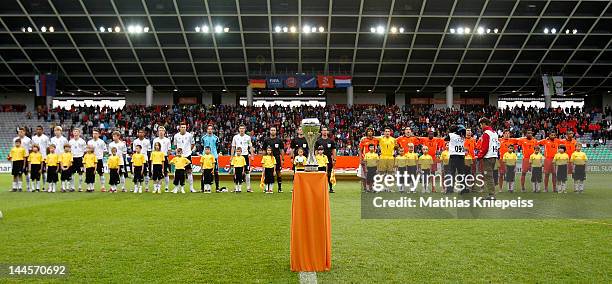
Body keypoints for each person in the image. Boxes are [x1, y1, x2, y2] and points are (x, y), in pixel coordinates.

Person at [476, 117, 500, 200]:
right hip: (494, 156)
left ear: (483, 124)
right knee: (490, 176)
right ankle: (491, 194)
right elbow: (498, 145)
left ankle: (491, 195)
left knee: (488, 176)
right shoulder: (495, 133)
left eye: (481, 125)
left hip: (488, 157)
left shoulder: (486, 133)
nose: (480, 126)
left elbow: (485, 147)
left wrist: (479, 156)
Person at [173, 124, 196, 193]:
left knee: (189, 172)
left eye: (184, 127)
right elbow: (175, 145)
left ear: (186, 128)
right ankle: (176, 187)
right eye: (182, 127)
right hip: (179, 156)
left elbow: (192, 144)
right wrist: (178, 153)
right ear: (179, 128)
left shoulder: (189, 135)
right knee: (177, 172)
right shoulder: (176, 136)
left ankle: (191, 188)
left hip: (187, 155)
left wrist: (189, 151)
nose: (183, 128)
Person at [231, 124, 254, 192]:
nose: (241, 130)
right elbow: (233, 147)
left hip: (245, 156)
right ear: (239, 129)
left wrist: (252, 155)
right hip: (237, 156)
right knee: (236, 172)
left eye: (243, 128)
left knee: (247, 172)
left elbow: (250, 146)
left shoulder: (248, 137)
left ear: (245, 129)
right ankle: (235, 187)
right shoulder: (235, 137)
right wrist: (232, 157)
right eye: (240, 128)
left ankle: (248, 188)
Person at [444, 124, 466, 194]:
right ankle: (463, 189)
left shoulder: (451, 135)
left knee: (451, 173)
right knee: (461, 173)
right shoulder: (463, 137)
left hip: (453, 156)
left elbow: (445, 139)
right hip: (461, 157)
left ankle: (449, 189)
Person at [315, 126, 337, 193]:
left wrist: (334, 159)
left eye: (325, 130)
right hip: (320, 160)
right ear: (321, 132)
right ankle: (319, 188)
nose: (324, 132)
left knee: (329, 173)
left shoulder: (331, 141)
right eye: (323, 130)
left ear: (327, 132)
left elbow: (333, 150)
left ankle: (330, 188)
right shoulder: (318, 141)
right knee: (319, 174)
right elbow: (316, 151)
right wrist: (316, 159)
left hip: (329, 159)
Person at [263, 127, 284, 193]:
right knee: (267, 173)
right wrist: (264, 158)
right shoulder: (266, 140)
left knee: (278, 172)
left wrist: (282, 159)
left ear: (276, 131)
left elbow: (282, 150)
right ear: (269, 131)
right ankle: (266, 188)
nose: (273, 131)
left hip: (277, 158)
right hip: (268, 159)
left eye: (274, 130)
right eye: (271, 130)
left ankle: (279, 188)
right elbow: (264, 150)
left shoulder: (279, 140)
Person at [201, 125, 222, 192]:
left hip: (214, 157)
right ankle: (202, 188)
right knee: (204, 172)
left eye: (211, 129)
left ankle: (217, 187)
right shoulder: (203, 138)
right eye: (208, 129)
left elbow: (218, 147)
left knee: (215, 172)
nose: (210, 130)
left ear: (212, 130)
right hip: (205, 157)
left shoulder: (216, 138)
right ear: (207, 130)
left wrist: (216, 153)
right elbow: (201, 146)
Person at [153, 126, 172, 192]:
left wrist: (167, 157)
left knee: (165, 172)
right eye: (159, 130)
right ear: (158, 132)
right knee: (156, 173)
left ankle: (166, 187)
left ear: (164, 132)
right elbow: (154, 150)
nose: (161, 132)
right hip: (157, 159)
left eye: (162, 130)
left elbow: (169, 150)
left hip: (164, 158)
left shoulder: (167, 140)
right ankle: (157, 187)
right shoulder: (155, 140)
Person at [376, 127, 395, 192]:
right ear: (384, 132)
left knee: (390, 173)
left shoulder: (393, 139)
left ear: (390, 132)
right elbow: (372, 137)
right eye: (386, 131)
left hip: (391, 157)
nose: (387, 133)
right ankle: (380, 187)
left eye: (388, 131)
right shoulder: (380, 138)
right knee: (381, 173)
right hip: (383, 157)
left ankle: (388, 188)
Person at [32, 126, 49, 191]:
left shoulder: (45, 138)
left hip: (43, 157)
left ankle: (44, 186)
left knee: (44, 173)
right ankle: (36, 187)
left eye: (40, 129)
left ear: (42, 130)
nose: (38, 130)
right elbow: (32, 147)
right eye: (37, 129)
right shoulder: (33, 138)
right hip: (35, 159)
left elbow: (47, 148)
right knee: (36, 173)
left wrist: (47, 157)